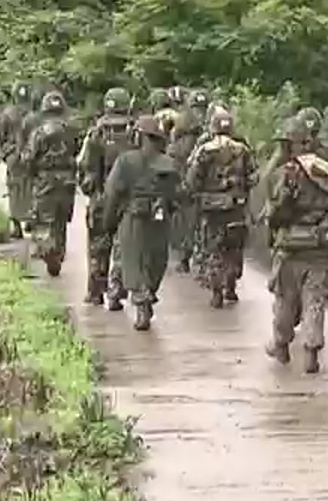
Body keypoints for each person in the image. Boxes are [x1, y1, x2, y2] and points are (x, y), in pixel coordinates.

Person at [260, 115, 328, 373]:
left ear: (292, 144)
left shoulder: (285, 173)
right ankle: (312, 350)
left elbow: (275, 213)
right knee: (314, 299)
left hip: (290, 248)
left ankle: (281, 345)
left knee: (285, 299)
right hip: (319, 247)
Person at [101, 114, 183, 331]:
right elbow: (178, 196)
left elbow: (112, 192)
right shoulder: (170, 164)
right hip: (161, 219)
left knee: (133, 261)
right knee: (156, 260)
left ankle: (141, 299)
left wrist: (108, 222)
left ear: (140, 136)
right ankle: (148, 293)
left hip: (133, 218)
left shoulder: (126, 161)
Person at [184, 105, 257, 308]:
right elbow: (253, 176)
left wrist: (195, 194)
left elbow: (192, 179)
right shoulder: (242, 149)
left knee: (214, 249)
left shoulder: (204, 150)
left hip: (211, 209)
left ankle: (216, 291)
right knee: (234, 247)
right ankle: (231, 286)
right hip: (236, 206)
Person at [77, 86, 137, 308]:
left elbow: (83, 167)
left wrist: (90, 191)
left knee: (97, 247)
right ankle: (116, 292)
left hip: (101, 199)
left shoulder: (95, 133)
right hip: (127, 201)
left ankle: (95, 292)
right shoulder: (135, 132)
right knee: (124, 247)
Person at [21, 90, 80, 278]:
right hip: (68, 181)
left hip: (45, 181)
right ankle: (58, 254)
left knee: (44, 221)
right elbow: (78, 153)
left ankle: (50, 253)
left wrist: (33, 175)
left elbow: (29, 158)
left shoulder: (39, 132)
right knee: (61, 221)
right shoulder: (72, 131)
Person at [167, 88, 211, 275]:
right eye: (196, 108)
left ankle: (190, 257)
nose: (199, 113)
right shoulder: (189, 135)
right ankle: (190, 257)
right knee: (190, 220)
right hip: (192, 184)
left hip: (198, 185)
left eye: (202, 109)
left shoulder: (183, 133)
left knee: (191, 220)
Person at [0, 82, 34, 239]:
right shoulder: (33, 114)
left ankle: (17, 226)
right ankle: (31, 221)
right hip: (31, 155)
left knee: (15, 190)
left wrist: (6, 153)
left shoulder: (8, 114)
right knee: (32, 189)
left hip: (15, 157)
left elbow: (0, 138)